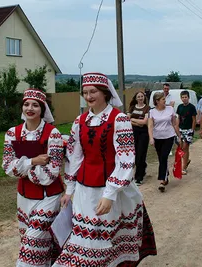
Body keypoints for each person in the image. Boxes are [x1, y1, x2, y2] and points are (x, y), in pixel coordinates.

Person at [54, 73, 157, 266]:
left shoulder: (119, 120)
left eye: (93, 91)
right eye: (85, 92)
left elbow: (126, 159)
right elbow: (75, 157)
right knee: (85, 240)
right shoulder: (79, 121)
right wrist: (69, 190)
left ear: (105, 93)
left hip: (111, 189)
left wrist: (110, 194)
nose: (88, 96)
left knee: (107, 240)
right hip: (85, 189)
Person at [2, 88, 64, 267]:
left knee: (32, 244)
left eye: (35, 105)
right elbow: (7, 167)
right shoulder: (12, 133)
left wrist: (21, 166)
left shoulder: (53, 134)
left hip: (48, 197)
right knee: (34, 243)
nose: (30, 108)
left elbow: (50, 175)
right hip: (24, 197)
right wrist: (33, 161)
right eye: (26, 104)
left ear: (42, 110)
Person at [148, 92, 181, 192]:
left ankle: (162, 180)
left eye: (164, 99)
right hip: (157, 137)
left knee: (164, 156)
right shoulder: (152, 112)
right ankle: (166, 173)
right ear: (157, 101)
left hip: (169, 136)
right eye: (162, 99)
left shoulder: (170, 109)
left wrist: (179, 136)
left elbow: (174, 124)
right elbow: (150, 126)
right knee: (161, 158)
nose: (164, 101)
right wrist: (151, 138)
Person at [128, 91, 150, 186]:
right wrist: (137, 122)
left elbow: (145, 122)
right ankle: (143, 167)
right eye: (138, 96)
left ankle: (138, 177)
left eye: (142, 96)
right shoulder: (132, 107)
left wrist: (133, 120)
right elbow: (127, 120)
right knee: (134, 154)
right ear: (136, 98)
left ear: (144, 98)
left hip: (144, 133)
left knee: (141, 154)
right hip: (133, 132)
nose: (140, 98)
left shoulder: (147, 108)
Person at [176, 90, 197, 175]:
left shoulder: (191, 107)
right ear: (181, 98)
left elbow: (194, 119)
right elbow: (178, 117)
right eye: (183, 97)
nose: (184, 99)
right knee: (180, 147)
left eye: (186, 97)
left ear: (188, 98)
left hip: (188, 129)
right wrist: (177, 127)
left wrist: (192, 130)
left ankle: (184, 167)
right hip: (181, 129)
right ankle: (186, 160)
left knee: (185, 147)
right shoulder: (179, 107)